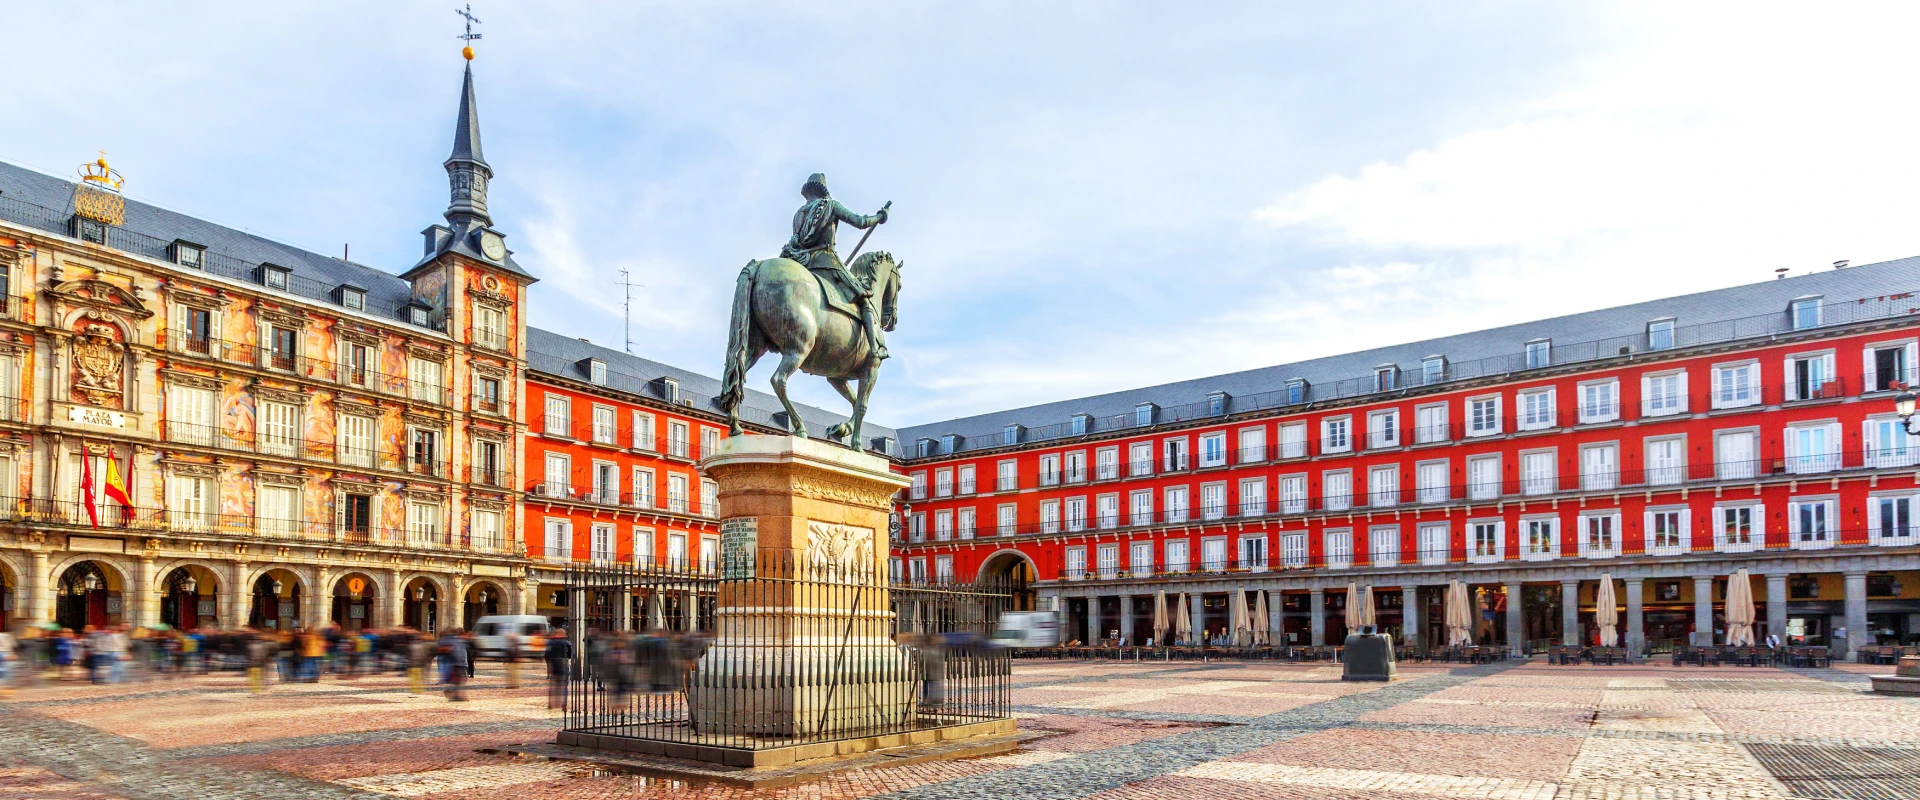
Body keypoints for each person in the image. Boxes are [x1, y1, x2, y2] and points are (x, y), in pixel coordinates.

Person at [779, 172, 891, 360]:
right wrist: (879, 217)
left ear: (808, 191)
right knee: (864, 297)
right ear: (823, 189)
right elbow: (860, 222)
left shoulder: (798, 215)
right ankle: (876, 347)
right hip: (826, 261)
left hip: (802, 264)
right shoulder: (830, 205)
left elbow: (800, 242)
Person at [544, 626, 573, 710]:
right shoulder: (567, 643)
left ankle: (550, 704)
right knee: (564, 686)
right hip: (563, 665)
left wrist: (549, 665)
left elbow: (546, 655)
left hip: (554, 665)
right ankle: (564, 705)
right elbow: (571, 655)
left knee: (553, 686)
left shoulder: (550, 643)